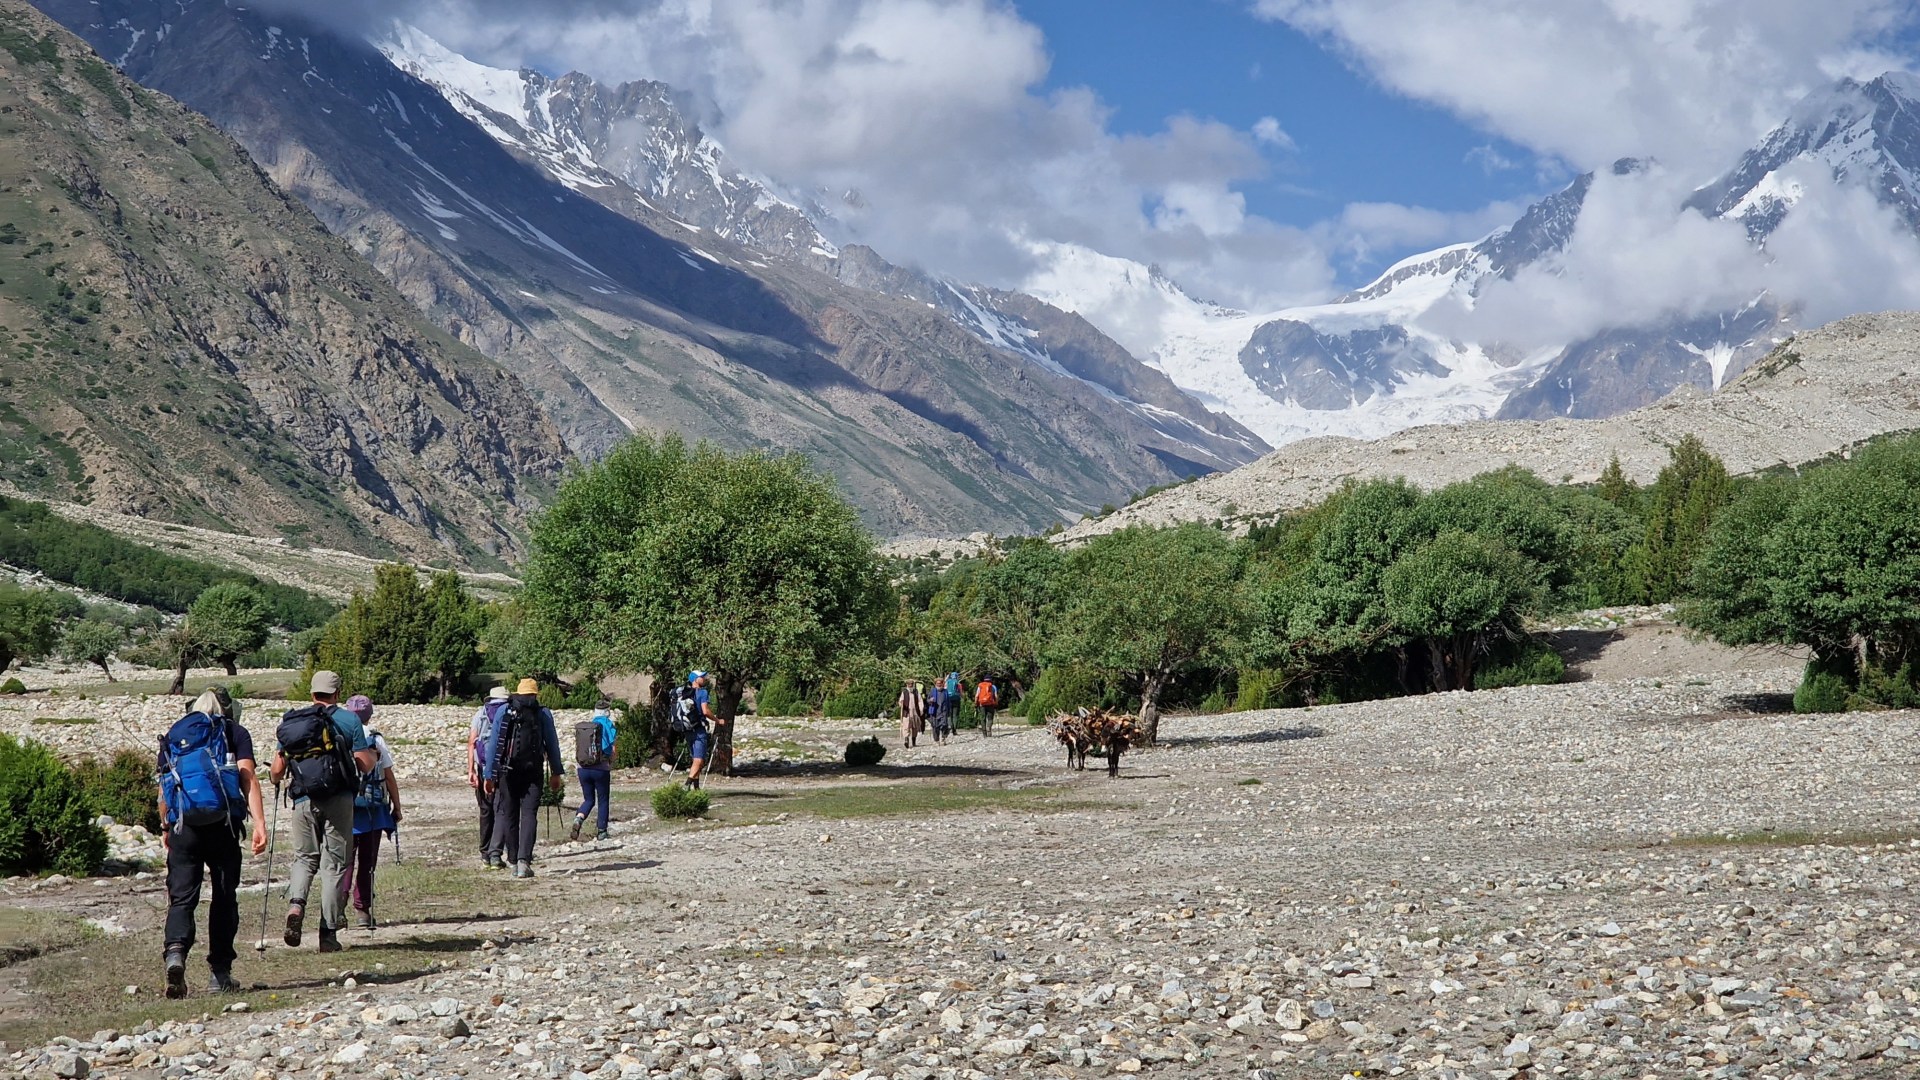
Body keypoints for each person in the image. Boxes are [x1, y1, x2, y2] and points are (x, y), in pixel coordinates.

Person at [158, 688, 267, 998]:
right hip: (224, 825)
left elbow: (164, 787)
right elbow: (248, 778)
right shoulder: (234, 732)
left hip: (185, 827)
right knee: (223, 896)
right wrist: (259, 823)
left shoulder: (175, 735)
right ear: (228, 708)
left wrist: (166, 826)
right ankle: (220, 975)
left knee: (182, 898)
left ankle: (176, 953)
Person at [271, 670, 376, 953]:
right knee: (335, 865)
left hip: (303, 799)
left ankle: (296, 905)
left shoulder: (295, 721)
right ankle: (328, 934)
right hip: (339, 798)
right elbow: (364, 764)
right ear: (337, 693)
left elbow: (276, 771)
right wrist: (373, 756)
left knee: (304, 858)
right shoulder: (349, 719)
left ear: (312, 692)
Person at [484, 678, 564, 879]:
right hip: (533, 771)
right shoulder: (543, 713)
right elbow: (552, 744)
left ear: (517, 693)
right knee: (529, 815)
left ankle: (512, 860)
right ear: (536, 694)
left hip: (507, 771)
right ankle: (524, 861)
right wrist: (556, 772)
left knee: (509, 814)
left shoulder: (505, 710)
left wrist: (488, 775)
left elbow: (494, 745)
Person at [342, 696, 401, 930]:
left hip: (344, 807)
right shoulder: (375, 739)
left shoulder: (341, 734)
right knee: (367, 861)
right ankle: (362, 910)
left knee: (343, 861)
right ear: (370, 715)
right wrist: (397, 805)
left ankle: (337, 908)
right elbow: (388, 776)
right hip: (373, 809)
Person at [470, 686, 508, 868]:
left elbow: (472, 742)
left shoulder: (481, 713)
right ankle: (500, 850)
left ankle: (485, 852)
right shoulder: (509, 712)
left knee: (485, 810)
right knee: (502, 808)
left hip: (482, 765)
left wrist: (471, 770)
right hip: (504, 767)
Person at [569, 704, 617, 842]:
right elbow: (612, 750)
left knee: (589, 799)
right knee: (603, 799)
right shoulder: (608, 725)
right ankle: (602, 831)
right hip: (600, 769)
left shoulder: (588, 727)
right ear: (607, 711)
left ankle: (579, 818)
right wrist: (610, 762)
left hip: (582, 768)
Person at [685, 671, 722, 789]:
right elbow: (705, 711)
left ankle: (696, 788)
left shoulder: (685, 693)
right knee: (699, 760)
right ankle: (687, 785)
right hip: (699, 729)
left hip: (687, 729)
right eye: (701, 677)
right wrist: (717, 720)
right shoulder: (703, 692)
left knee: (696, 759)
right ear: (696, 679)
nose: (704, 678)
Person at [897, 680, 925, 749]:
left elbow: (920, 700)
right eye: (909, 684)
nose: (910, 685)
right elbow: (900, 701)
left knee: (914, 727)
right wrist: (901, 703)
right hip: (907, 712)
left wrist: (921, 709)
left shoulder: (916, 691)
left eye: (911, 684)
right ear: (907, 684)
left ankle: (914, 742)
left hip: (915, 712)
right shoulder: (904, 692)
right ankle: (906, 740)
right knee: (906, 727)